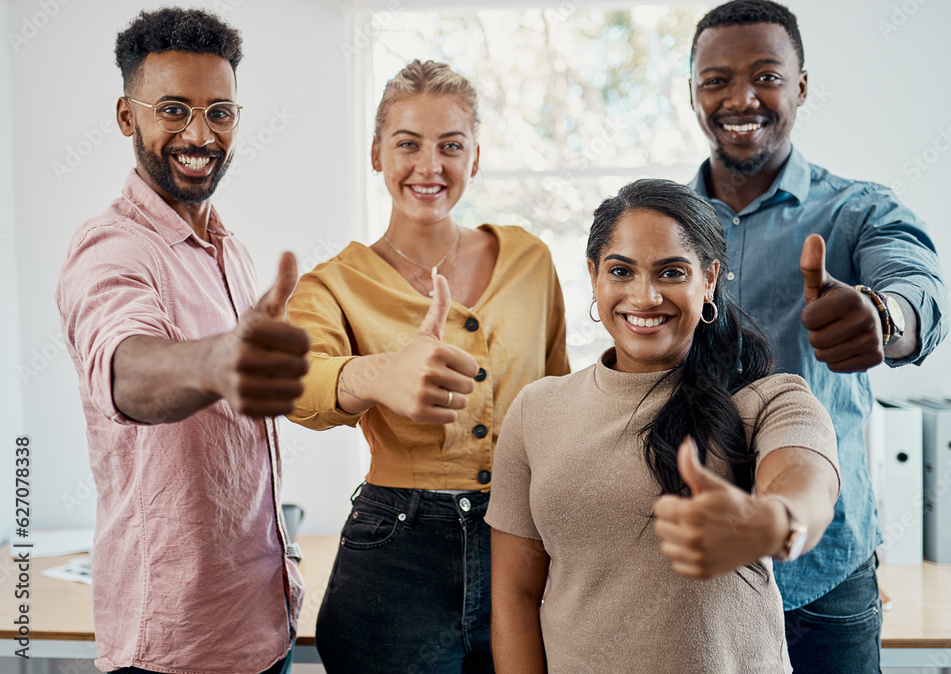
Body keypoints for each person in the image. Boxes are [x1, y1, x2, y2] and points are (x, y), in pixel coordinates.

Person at [686, 1, 948, 671]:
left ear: (802, 86)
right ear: (693, 91)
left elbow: (919, 290)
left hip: (824, 576)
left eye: (766, 75)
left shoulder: (860, 211)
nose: (740, 98)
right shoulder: (663, 222)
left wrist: (882, 319)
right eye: (716, 79)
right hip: (691, 566)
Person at [488, 178, 840, 674]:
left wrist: (774, 523)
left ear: (710, 279)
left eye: (671, 272)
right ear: (594, 278)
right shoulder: (535, 410)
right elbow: (515, 594)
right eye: (621, 271)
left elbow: (808, 484)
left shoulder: (770, 399)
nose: (645, 296)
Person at [285, 59, 569, 673]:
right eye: (407, 144)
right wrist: (374, 374)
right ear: (376, 155)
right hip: (396, 556)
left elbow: (560, 396)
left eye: (451, 146)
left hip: (524, 542)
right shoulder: (334, 284)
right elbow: (297, 381)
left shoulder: (530, 260)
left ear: (475, 157)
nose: (429, 167)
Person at [55, 8, 309, 674]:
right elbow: (126, 368)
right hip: (174, 650)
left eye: (220, 112)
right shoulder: (110, 248)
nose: (200, 134)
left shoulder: (231, 249)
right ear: (125, 115)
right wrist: (218, 360)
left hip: (262, 622)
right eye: (173, 109)